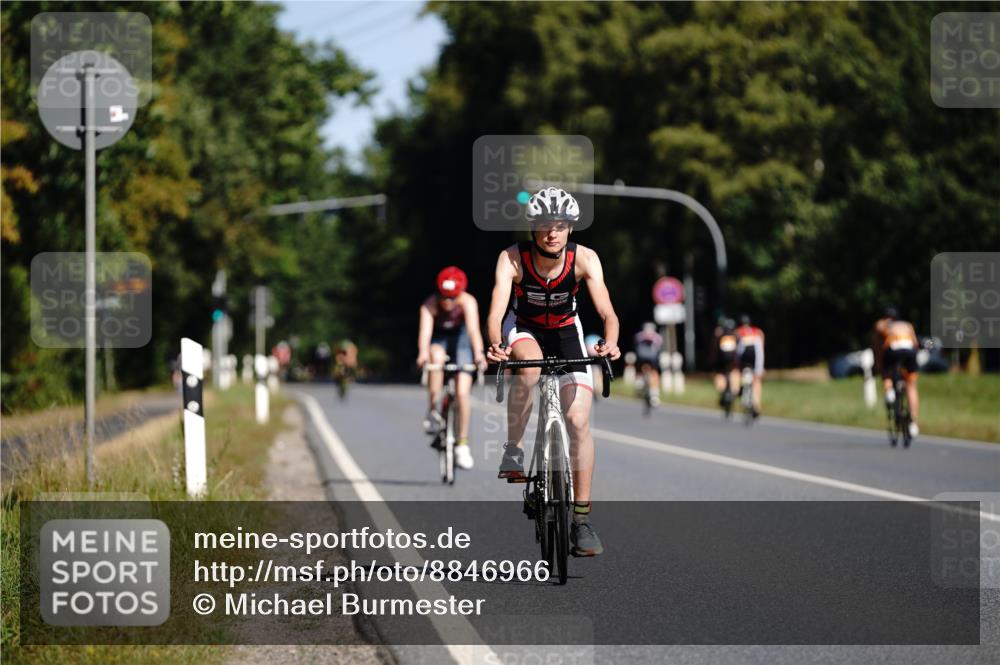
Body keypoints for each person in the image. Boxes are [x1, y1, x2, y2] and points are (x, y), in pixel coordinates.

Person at [485, 186, 621, 557]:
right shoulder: (512, 259)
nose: (552, 232)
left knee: (578, 421)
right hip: (524, 328)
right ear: (533, 227)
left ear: (570, 228)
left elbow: (607, 313)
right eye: (545, 224)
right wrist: (496, 343)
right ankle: (514, 449)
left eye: (560, 225)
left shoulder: (585, 259)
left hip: (566, 332)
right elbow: (496, 312)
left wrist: (609, 343)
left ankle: (582, 519)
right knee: (529, 371)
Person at [416, 266, 487, 470]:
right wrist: (423, 353)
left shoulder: (468, 302)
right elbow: (425, 333)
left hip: (462, 339)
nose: (447, 302)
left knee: (462, 393)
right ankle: (433, 409)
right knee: (435, 358)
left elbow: (473, 331)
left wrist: (479, 354)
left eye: (452, 297)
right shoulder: (430, 304)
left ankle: (462, 444)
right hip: (440, 339)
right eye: (443, 297)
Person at [872, 306, 920, 438]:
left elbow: (877, 347)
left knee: (886, 371)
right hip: (909, 351)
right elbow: (916, 344)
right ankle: (913, 423)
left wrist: (878, 365)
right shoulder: (907, 325)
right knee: (911, 386)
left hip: (892, 349)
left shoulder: (881, 324)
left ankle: (889, 392)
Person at [732, 314, 764, 418]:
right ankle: (757, 405)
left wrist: (736, 365)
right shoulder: (758, 331)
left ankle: (737, 389)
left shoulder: (738, 332)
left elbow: (736, 351)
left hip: (744, 356)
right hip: (757, 355)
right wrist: (760, 369)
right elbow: (761, 349)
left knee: (736, 371)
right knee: (757, 380)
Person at [633, 322, 663, 406]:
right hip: (651, 359)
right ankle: (654, 395)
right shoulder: (657, 336)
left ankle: (640, 386)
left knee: (644, 372)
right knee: (654, 374)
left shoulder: (639, 335)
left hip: (644, 359)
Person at [711, 316, 738, 408]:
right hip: (732, 363)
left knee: (720, 375)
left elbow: (714, 351)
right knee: (734, 373)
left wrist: (712, 362)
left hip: (721, 363)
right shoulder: (736, 336)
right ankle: (732, 393)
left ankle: (723, 393)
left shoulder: (719, 335)